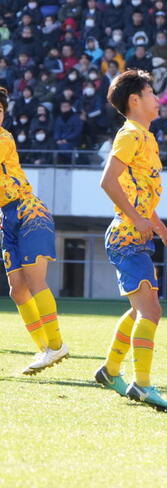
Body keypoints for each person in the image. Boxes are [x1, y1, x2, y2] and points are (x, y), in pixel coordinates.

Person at [94, 69, 167, 413]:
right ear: (136, 100)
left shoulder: (146, 137)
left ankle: (110, 371)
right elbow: (107, 181)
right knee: (152, 311)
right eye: (152, 93)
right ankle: (142, 384)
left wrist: (166, 234)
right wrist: (136, 219)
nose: (158, 99)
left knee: (139, 310)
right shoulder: (131, 134)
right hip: (126, 237)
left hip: (134, 237)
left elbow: (145, 203)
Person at [0, 87, 68, 375]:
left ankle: (55, 345)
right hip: (6, 215)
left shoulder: (4, 137)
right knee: (17, 291)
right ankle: (46, 350)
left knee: (35, 280)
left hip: (29, 211)